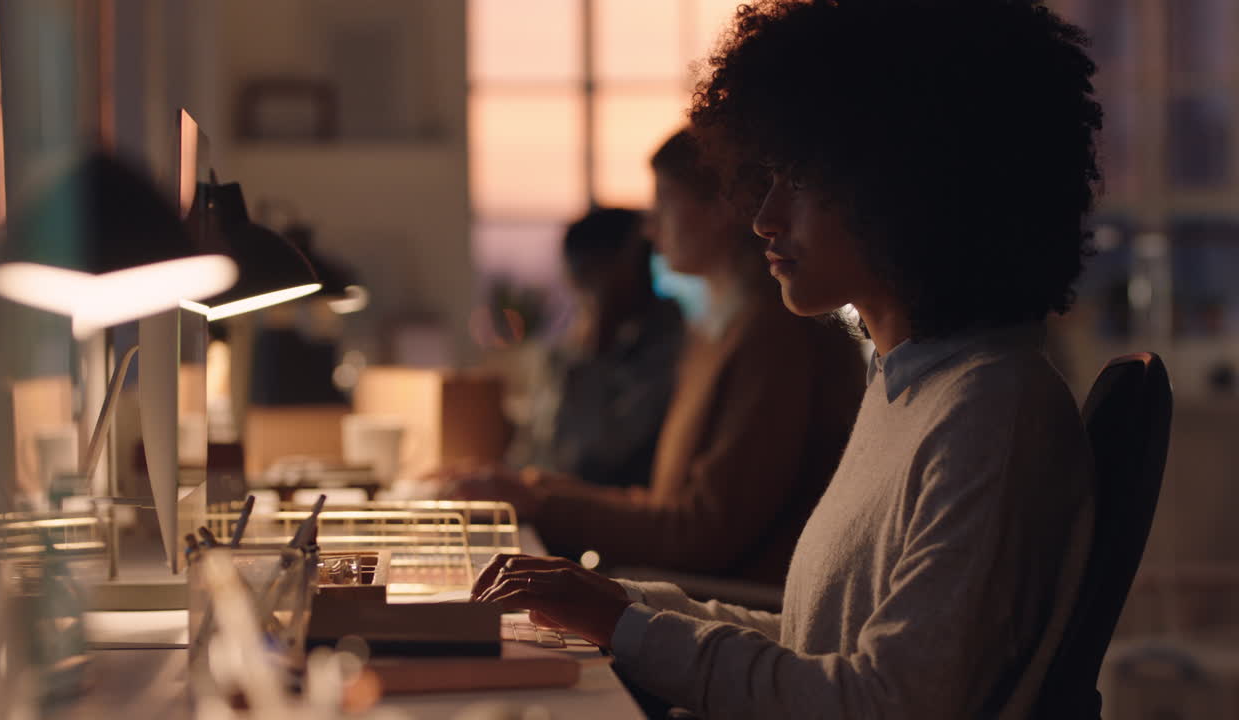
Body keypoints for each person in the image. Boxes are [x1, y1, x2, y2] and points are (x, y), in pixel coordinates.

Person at [468, 1, 1102, 717]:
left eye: (800, 178)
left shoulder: (991, 415)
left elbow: (883, 701)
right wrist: (621, 605)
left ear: (910, 187)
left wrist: (625, 623)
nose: (763, 216)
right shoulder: (911, 384)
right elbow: (814, 644)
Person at [444, 129, 867, 585]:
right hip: (700, 596)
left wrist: (540, 502)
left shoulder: (773, 337)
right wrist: (531, 490)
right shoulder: (719, 330)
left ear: (720, 208)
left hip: (736, 611)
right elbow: (676, 511)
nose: (649, 226)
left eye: (664, 199)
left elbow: (702, 535)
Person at [509, 207, 684, 490]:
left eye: (589, 279)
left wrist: (596, 352)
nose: (584, 300)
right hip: (557, 503)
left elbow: (594, 457)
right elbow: (538, 447)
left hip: (609, 512)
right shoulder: (573, 343)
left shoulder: (668, 344)